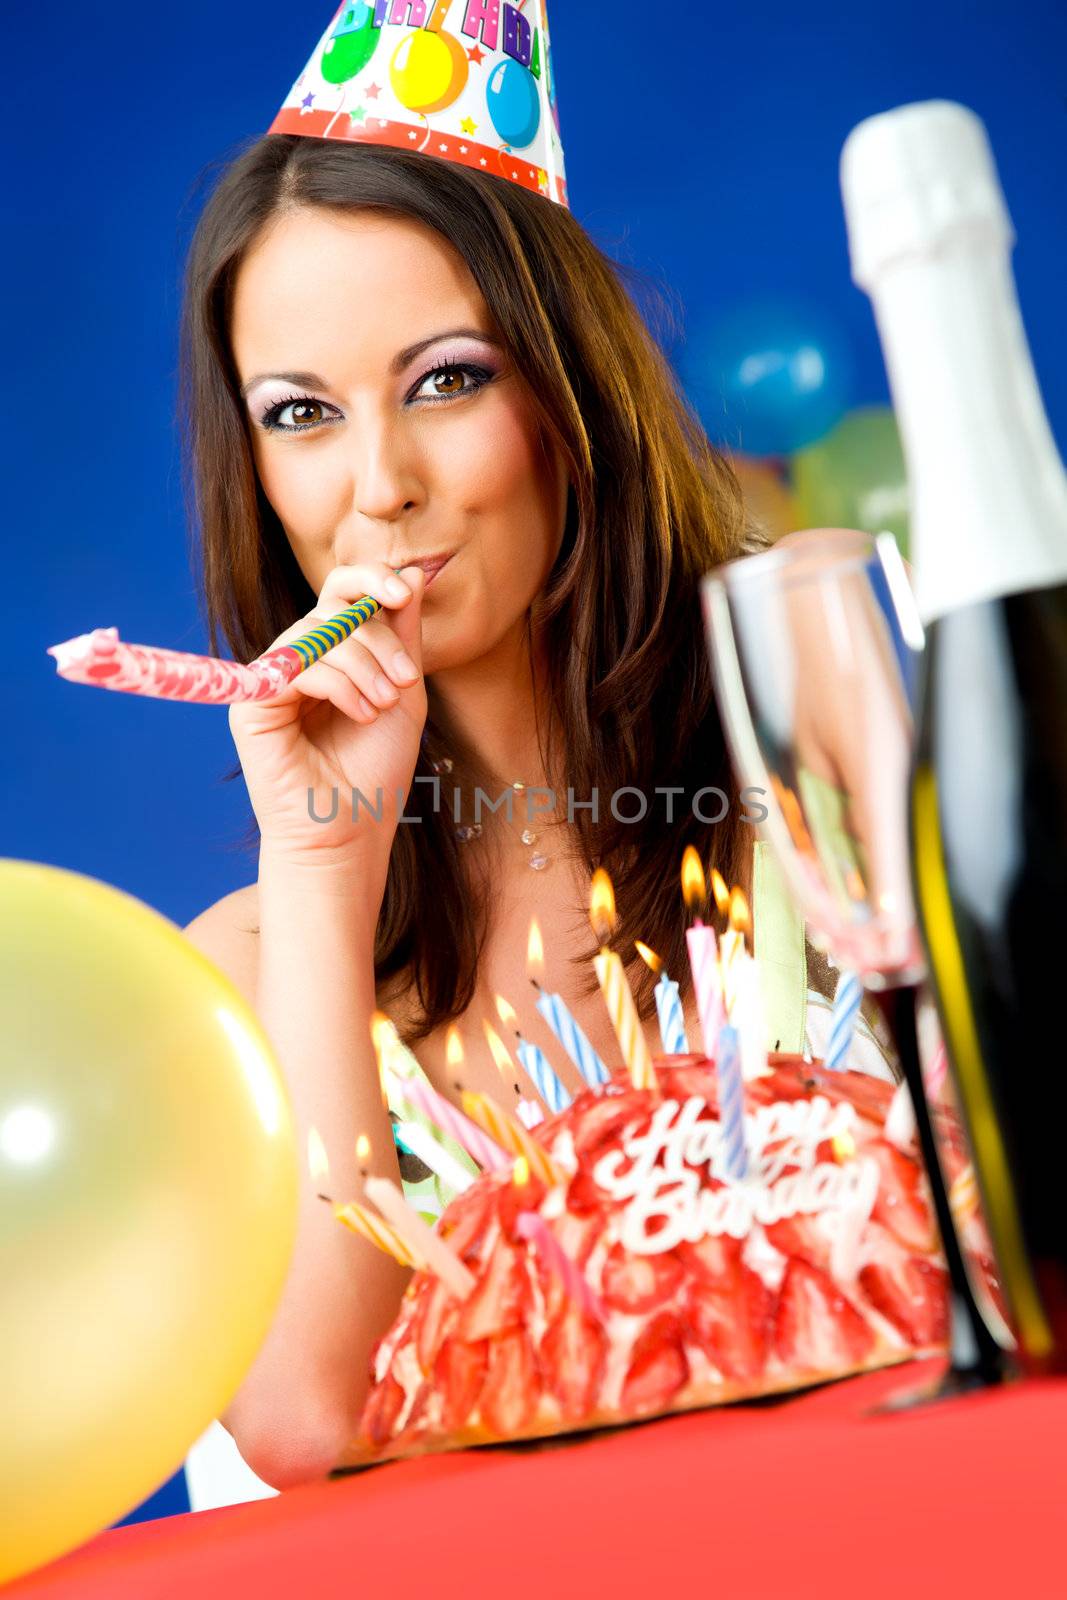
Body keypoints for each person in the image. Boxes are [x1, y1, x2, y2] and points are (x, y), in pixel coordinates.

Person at [179, 35, 896, 1489]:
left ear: (565, 393)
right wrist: (325, 859)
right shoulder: (259, 959)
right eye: (302, 414)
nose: (378, 486)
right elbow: (305, 1425)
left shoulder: (802, 654)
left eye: (445, 381)